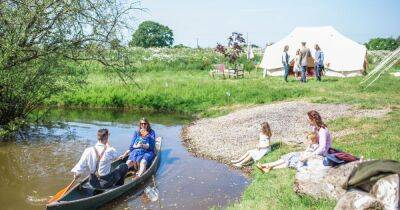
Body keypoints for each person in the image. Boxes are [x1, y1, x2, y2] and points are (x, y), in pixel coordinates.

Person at [257, 110, 333, 173]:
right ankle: (268, 166)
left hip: (321, 155)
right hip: (313, 150)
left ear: (313, 120)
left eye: (308, 119)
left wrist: (307, 156)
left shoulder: (323, 131)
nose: (307, 120)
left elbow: (322, 148)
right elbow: (313, 143)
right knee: (291, 155)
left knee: (295, 159)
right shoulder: (315, 128)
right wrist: (305, 151)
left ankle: (268, 166)